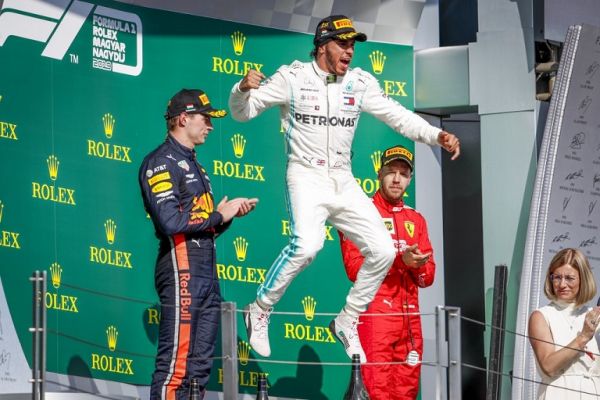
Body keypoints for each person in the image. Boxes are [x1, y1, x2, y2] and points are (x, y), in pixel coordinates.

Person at [228, 14, 460, 362]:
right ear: (323, 46)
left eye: (353, 44)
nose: (350, 51)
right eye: (343, 43)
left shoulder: (360, 82)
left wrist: (434, 135)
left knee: (383, 250)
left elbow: (398, 115)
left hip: (343, 178)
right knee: (308, 245)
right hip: (305, 175)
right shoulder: (292, 78)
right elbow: (241, 113)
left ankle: (347, 319)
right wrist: (241, 89)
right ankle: (259, 308)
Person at [139, 88, 258, 400]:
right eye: (205, 118)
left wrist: (227, 217)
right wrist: (218, 214)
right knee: (175, 367)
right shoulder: (160, 162)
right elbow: (170, 224)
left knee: (199, 369)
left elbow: (203, 230)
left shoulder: (196, 166)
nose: (211, 125)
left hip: (205, 272)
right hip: (181, 269)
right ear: (183, 118)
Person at [339, 145, 434, 399]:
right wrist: (400, 261)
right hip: (375, 317)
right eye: (391, 172)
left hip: (411, 321)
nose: (396, 179)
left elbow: (428, 277)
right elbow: (354, 269)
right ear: (379, 173)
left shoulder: (416, 219)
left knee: (407, 391)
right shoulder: (360, 213)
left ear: (409, 179)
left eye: (403, 174)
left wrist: (418, 264)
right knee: (376, 390)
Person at [529, 248, 600, 399]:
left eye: (569, 278)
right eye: (557, 277)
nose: (562, 284)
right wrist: (583, 337)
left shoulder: (594, 315)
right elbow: (548, 366)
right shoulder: (541, 316)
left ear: (583, 279)